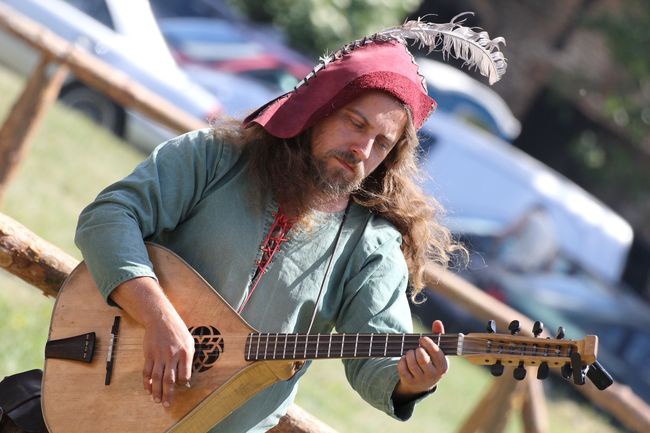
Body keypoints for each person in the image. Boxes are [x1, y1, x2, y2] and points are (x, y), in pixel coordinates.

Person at [74, 17, 506, 433]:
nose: (361, 149)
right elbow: (109, 217)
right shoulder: (214, 158)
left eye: (381, 144)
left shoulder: (371, 245)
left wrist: (413, 379)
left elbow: (378, 355)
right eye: (355, 123)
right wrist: (157, 317)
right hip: (101, 383)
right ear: (319, 106)